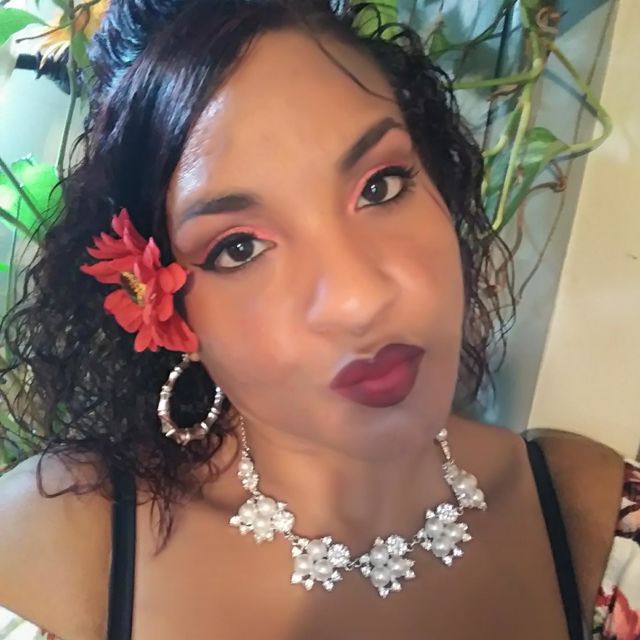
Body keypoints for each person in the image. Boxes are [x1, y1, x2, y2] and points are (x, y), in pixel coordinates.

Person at [0, 1, 638, 639]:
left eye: (381, 186)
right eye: (239, 248)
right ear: (164, 309)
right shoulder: (47, 550)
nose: (358, 299)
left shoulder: (594, 522)